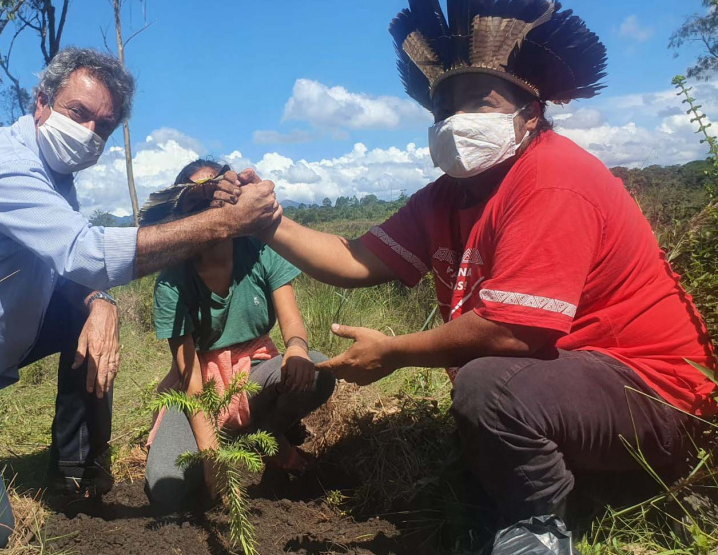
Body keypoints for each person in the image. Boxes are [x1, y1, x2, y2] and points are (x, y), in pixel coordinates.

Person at [253, 0, 718, 531]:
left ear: (530, 112)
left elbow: (511, 331)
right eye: (442, 111)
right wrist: (264, 222)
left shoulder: (554, 178)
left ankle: (538, 527)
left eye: (479, 102)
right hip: (566, 389)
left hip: (655, 396)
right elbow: (352, 259)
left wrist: (393, 354)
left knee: (489, 388)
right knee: (486, 404)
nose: (455, 123)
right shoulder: (445, 199)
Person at [0, 48, 280, 552]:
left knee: (85, 315)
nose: (90, 134)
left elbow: (66, 263)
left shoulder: (55, 181)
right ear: (40, 102)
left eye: (104, 127)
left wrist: (100, 302)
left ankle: (74, 477)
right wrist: (225, 222)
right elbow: (83, 251)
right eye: (78, 113)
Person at [141, 159, 335, 514]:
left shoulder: (259, 251)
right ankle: (226, 439)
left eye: (217, 196)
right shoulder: (173, 280)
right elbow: (191, 379)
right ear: (184, 215)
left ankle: (268, 434)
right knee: (164, 488)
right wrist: (213, 462)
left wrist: (295, 349)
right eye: (198, 203)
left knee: (317, 369)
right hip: (200, 382)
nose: (210, 209)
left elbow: (293, 325)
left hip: (254, 370)